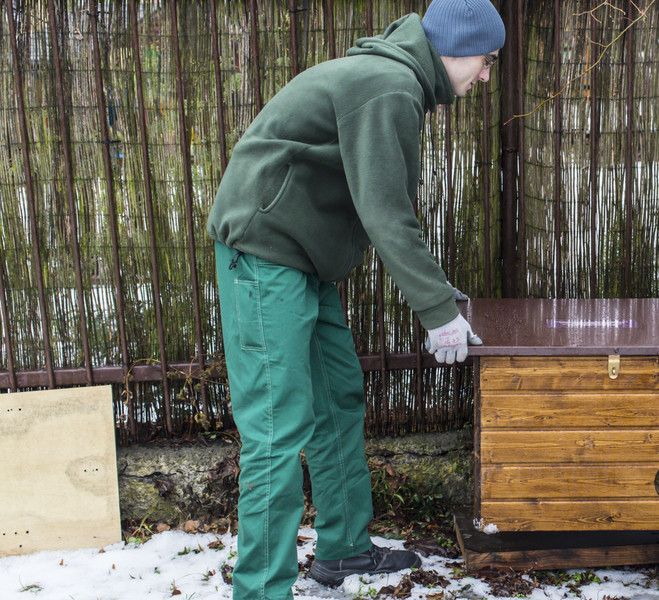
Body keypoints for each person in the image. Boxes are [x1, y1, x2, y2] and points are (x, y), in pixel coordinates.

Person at [205, 1, 503, 597]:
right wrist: (437, 312)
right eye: (487, 60)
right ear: (458, 46)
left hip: (301, 261)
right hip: (265, 258)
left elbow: (377, 200)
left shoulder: (394, 80)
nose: (487, 77)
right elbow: (388, 213)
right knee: (275, 427)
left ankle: (342, 550)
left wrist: (436, 291)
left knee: (337, 398)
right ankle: (261, 589)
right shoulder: (386, 85)